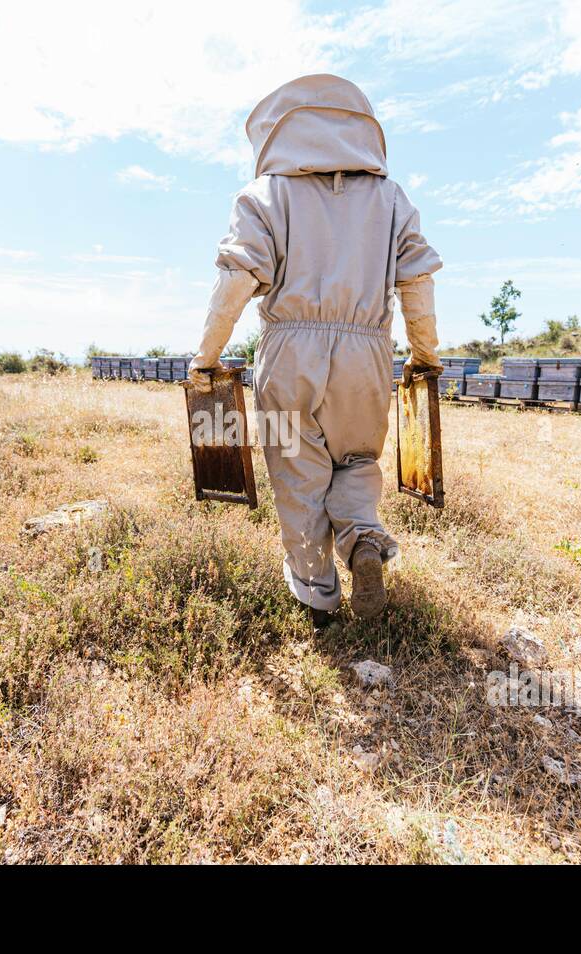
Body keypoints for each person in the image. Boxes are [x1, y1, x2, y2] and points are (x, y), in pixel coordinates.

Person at [188, 73, 443, 629]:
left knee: (297, 473)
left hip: (289, 355)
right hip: (368, 355)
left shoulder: (264, 196)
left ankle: (318, 596)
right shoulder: (391, 198)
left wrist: (206, 356)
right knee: (355, 460)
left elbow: (236, 280)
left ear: (279, 132)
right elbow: (418, 281)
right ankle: (362, 543)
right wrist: (424, 355)